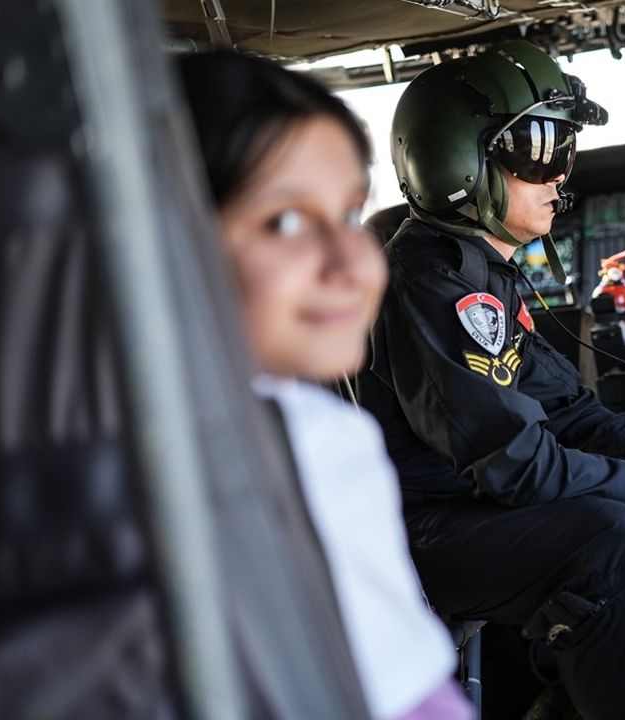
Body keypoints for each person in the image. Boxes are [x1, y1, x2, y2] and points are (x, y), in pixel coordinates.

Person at [357, 41, 625, 719]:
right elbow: (513, 464)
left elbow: (566, 405)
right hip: (416, 535)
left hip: (461, 517)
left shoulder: (482, 274)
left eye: (564, 148)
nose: (560, 173)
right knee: (608, 541)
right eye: (536, 150)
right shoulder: (431, 285)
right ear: (459, 162)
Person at [176, 52, 470, 720]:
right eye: (284, 221)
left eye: (348, 214)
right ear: (165, 236)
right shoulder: (308, 440)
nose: (350, 262)